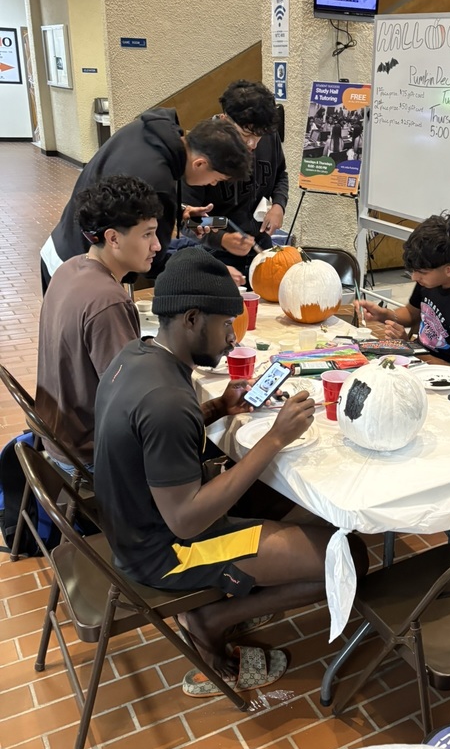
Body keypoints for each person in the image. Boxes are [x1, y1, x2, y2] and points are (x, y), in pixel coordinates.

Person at [93, 247, 368, 696]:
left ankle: (238, 594)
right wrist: (274, 439)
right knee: (349, 558)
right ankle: (209, 618)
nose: (230, 340)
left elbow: (151, 440)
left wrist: (217, 407)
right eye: (226, 326)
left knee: (302, 510)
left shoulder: (138, 355)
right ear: (192, 318)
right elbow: (187, 520)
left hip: (134, 525)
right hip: (167, 554)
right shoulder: (166, 401)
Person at [40, 110, 251, 291]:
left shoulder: (153, 131)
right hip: (81, 268)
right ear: (200, 164)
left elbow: (124, 200)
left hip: (61, 244)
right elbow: (152, 260)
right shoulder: (158, 181)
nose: (212, 185)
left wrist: (179, 211)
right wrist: (211, 272)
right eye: (216, 179)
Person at [35, 176, 163, 472]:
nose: (157, 245)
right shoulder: (109, 301)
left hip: (56, 435)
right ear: (113, 238)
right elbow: (131, 402)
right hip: (88, 453)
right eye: (147, 234)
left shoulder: (69, 268)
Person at [356, 212, 450, 381]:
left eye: (421, 272)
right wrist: (383, 314)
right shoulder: (432, 278)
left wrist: (408, 348)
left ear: (449, 270)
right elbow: (411, 313)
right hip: (416, 362)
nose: (414, 278)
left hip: (443, 383)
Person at [182, 80, 289, 283]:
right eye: (245, 135)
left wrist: (278, 205)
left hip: (259, 245)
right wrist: (221, 237)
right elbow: (188, 219)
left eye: (259, 137)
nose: (252, 144)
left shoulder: (266, 134)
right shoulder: (202, 148)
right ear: (224, 120)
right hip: (214, 252)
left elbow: (280, 174)